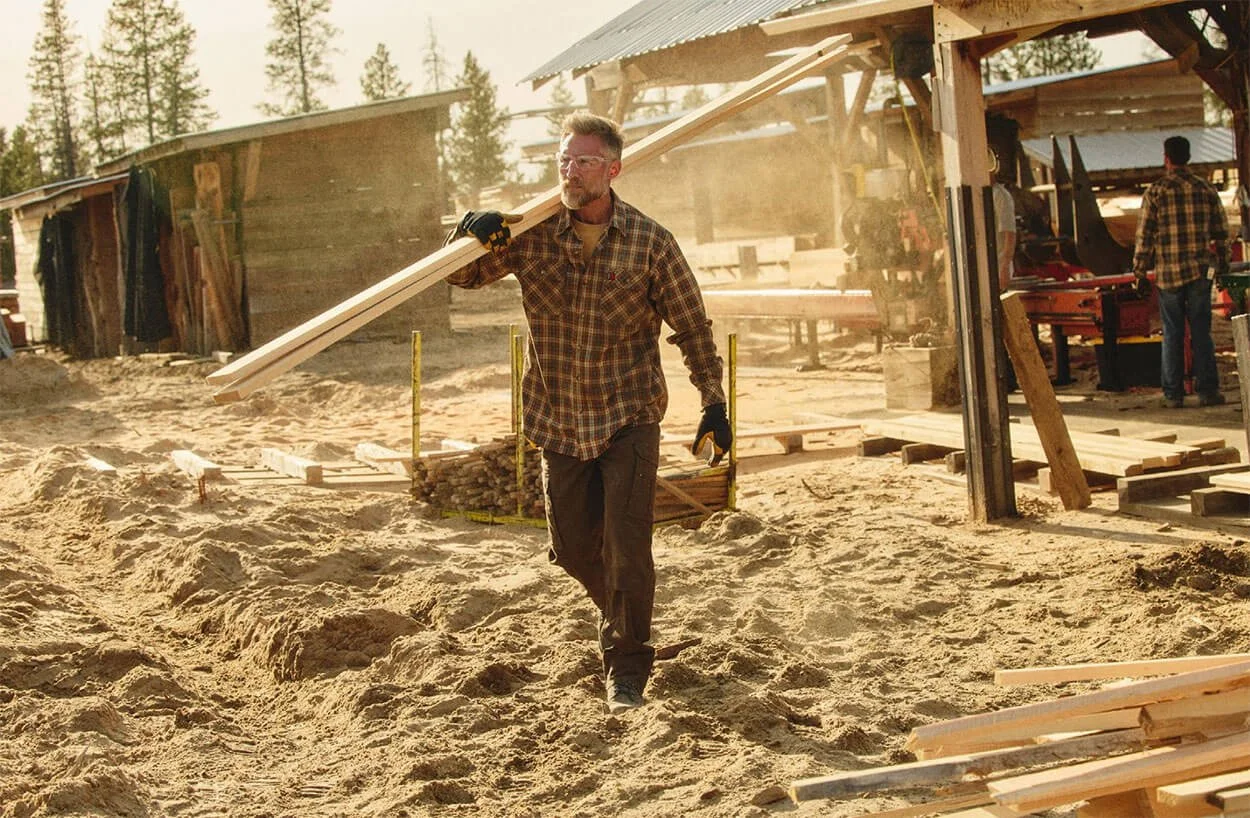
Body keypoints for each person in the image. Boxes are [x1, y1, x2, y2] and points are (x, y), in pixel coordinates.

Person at [445, 113, 731, 715]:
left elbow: (692, 324)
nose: (570, 172)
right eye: (564, 161)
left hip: (630, 415)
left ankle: (626, 667)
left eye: (583, 162)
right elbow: (464, 277)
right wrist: (468, 232)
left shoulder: (651, 242)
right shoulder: (531, 236)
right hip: (559, 419)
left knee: (629, 548)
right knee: (573, 548)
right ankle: (633, 624)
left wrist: (713, 401)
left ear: (613, 169)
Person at [1132, 135, 1230, 408]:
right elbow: (1222, 233)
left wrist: (1139, 273)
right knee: (1202, 333)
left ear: (1166, 158)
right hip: (1200, 272)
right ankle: (1208, 391)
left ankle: (1173, 395)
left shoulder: (1156, 191)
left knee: (1172, 333)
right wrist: (1222, 267)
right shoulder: (1205, 189)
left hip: (1168, 275)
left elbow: (1144, 238)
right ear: (1188, 157)